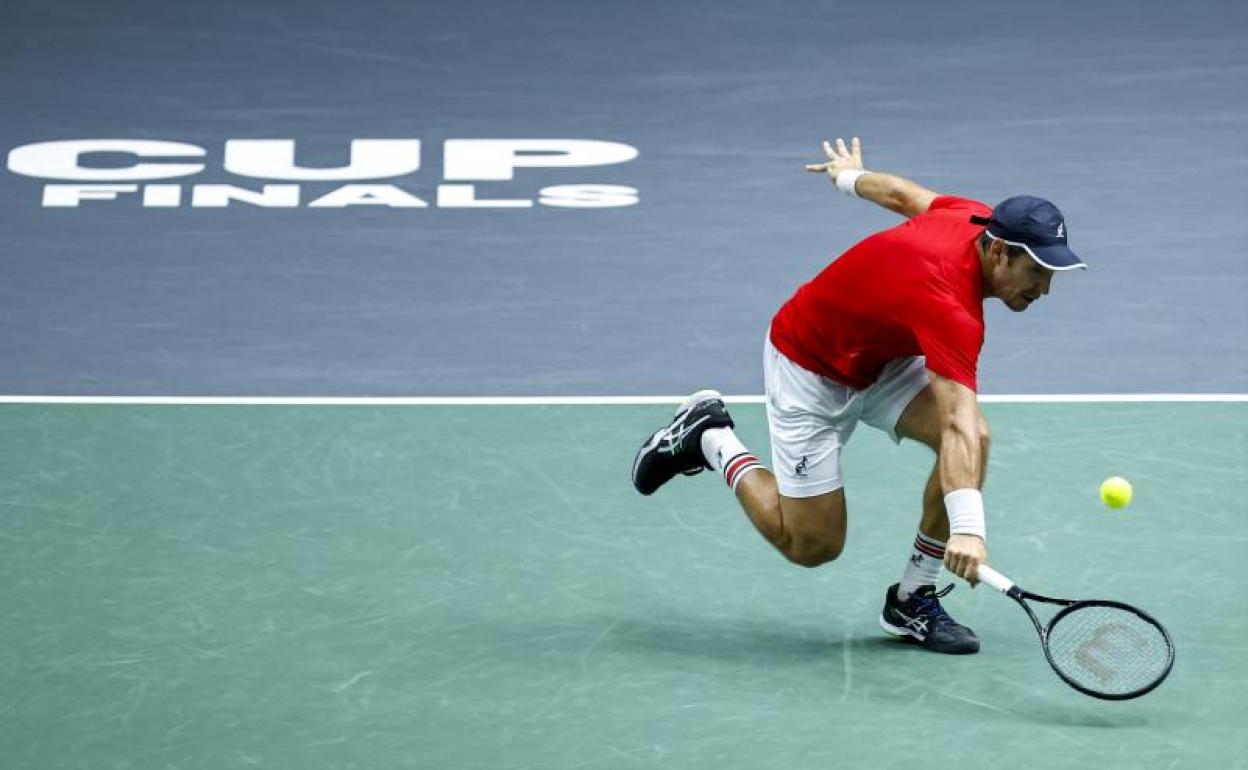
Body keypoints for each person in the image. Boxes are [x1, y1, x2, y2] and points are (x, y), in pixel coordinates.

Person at [631, 137, 1086, 654]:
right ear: (1000, 252)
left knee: (976, 439)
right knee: (811, 545)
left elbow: (904, 196)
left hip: (883, 360)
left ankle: (912, 598)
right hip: (810, 364)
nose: (1044, 289)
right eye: (1037, 273)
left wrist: (849, 176)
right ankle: (710, 437)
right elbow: (956, 418)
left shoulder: (976, 218)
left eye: (1052, 274)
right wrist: (969, 530)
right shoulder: (951, 307)